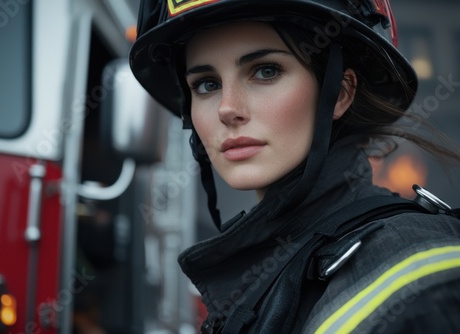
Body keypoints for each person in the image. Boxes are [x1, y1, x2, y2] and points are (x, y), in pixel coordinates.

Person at [129, 0, 460, 333]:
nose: (227, 109)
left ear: (341, 93)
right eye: (207, 84)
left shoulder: (416, 267)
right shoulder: (263, 274)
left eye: (266, 71)